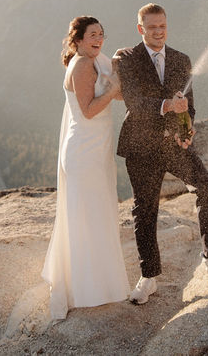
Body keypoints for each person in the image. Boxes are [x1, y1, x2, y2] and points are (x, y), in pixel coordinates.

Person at [114, 3, 208, 306]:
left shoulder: (181, 59)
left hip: (173, 143)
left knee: (207, 186)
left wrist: (187, 130)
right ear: (140, 29)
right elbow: (134, 102)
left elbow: (190, 104)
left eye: (162, 26)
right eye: (151, 27)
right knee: (145, 210)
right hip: (141, 147)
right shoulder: (128, 59)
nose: (158, 32)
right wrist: (167, 106)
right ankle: (148, 278)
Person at [41, 16, 130, 320]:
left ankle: (96, 284)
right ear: (77, 39)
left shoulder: (94, 59)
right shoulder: (81, 65)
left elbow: (113, 82)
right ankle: (87, 289)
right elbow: (89, 111)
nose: (99, 39)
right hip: (84, 153)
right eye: (93, 34)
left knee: (96, 214)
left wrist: (120, 68)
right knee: (88, 217)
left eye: (102, 34)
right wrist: (115, 88)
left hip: (95, 150)